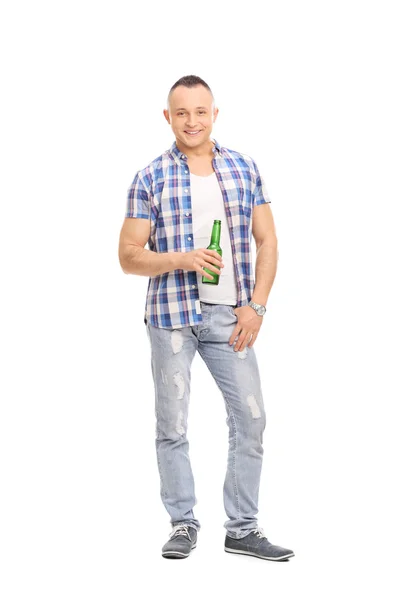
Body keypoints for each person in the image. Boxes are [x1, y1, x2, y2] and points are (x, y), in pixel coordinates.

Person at [118, 75, 295, 562]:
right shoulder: (150, 177)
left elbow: (269, 241)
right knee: (172, 424)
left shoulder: (243, 168)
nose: (191, 121)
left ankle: (242, 528)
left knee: (252, 420)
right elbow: (129, 257)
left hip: (229, 318)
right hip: (171, 317)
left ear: (215, 113)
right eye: (181, 113)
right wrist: (182, 259)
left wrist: (256, 306)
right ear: (168, 117)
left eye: (200, 111)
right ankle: (182, 523)